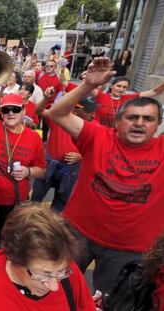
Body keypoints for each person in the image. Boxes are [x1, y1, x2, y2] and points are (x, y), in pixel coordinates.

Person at [45, 57, 164, 293]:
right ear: (118, 122)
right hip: (77, 234)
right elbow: (56, 113)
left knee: (111, 302)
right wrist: (88, 85)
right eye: (132, 117)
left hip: (130, 250)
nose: (139, 123)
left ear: (158, 125)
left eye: (148, 119)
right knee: (55, 289)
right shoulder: (98, 136)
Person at [0, 205, 96, 311]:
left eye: (60, 273)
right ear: (14, 258)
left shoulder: (63, 269)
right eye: (43, 275)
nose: (54, 286)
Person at [0, 93, 46, 259]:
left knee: (4, 236)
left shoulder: (34, 138)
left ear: (24, 110)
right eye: (6, 110)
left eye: (16, 109)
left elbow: (41, 170)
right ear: (0, 112)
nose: (11, 113)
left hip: (13, 199)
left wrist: (28, 171)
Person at [31, 88, 100, 212]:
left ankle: (52, 227)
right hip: (49, 164)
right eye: (89, 111)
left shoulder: (96, 126)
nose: (93, 115)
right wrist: (46, 98)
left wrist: (81, 156)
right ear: (77, 110)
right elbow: (39, 111)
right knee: (36, 197)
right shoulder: (60, 118)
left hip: (72, 170)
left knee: (61, 202)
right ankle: (28, 223)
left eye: (94, 111)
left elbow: (98, 150)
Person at [92, 76, 164, 127]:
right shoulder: (101, 95)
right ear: (111, 86)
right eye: (118, 86)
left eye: (124, 87)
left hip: (116, 133)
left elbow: (155, 92)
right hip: (97, 130)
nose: (121, 89)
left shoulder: (128, 98)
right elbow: (86, 88)